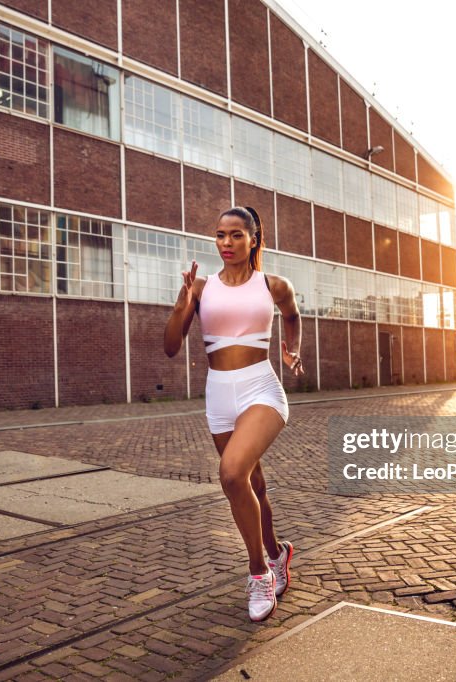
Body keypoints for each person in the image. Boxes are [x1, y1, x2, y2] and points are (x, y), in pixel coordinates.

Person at [164, 206, 304, 622]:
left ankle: (258, 572)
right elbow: (171, 346)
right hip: (219, 395)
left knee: (230, 474)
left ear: (253, 238)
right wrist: (182, 302)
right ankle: (278, 554)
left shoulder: (274, 285)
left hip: (261, 388)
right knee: (252, 484)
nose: (226, 243)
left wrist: (292, 348)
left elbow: (293, 317)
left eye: (236, 235)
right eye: (220, 235)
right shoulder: (203, 288)